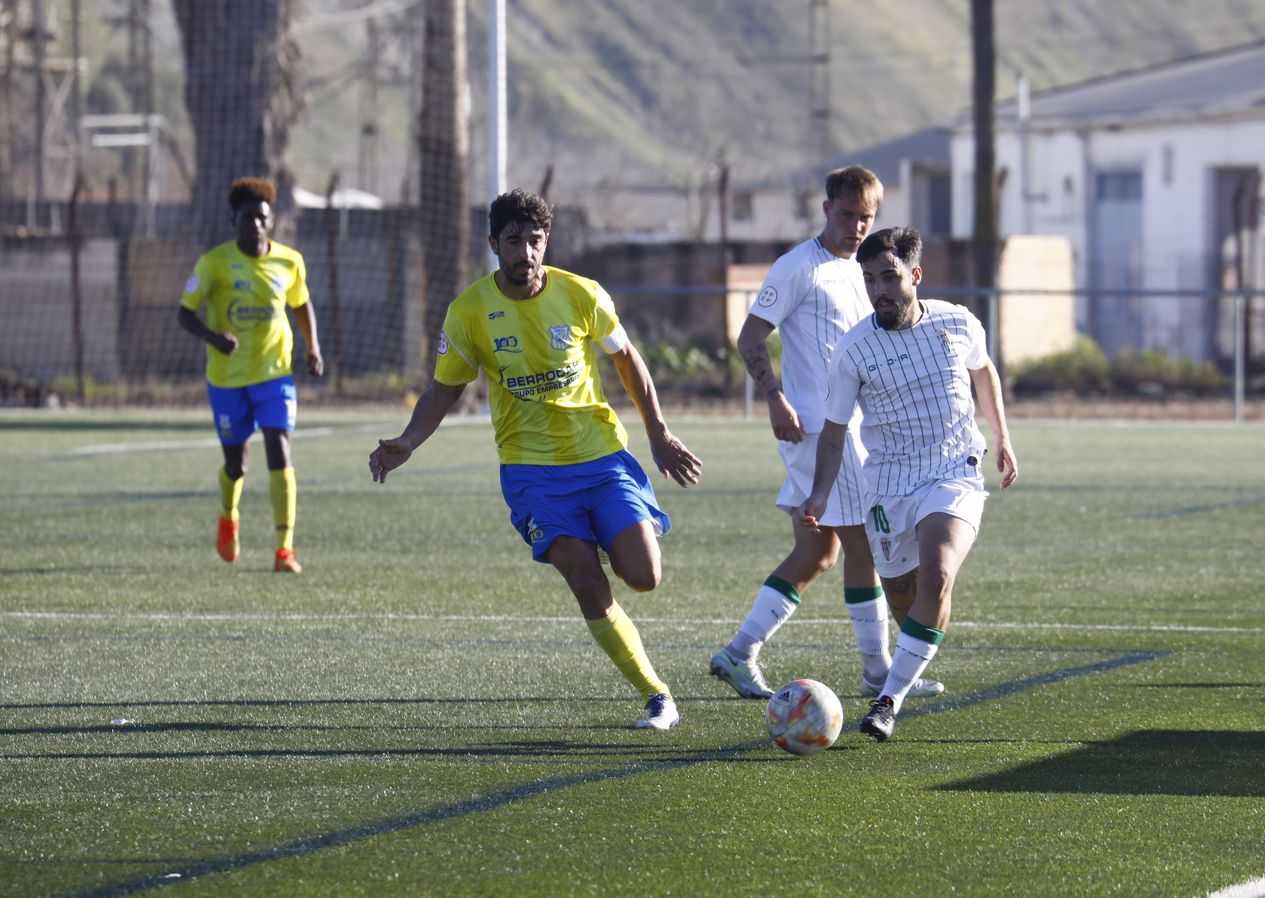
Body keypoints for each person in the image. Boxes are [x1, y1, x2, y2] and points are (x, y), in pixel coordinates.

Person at [367, 189, 702, 730]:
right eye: (514, 241)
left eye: (535, 241)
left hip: (601, 458)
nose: (525, 252)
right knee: (588, 582)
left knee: (643, 576)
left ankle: (600, 532)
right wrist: (409, 439)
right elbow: (443, 390)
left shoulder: (581, 294)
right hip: (531, 473)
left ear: (547, 242)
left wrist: (658, 432)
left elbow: (627, 360)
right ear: (494, 245)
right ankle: (657, 694)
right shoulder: (469, 312)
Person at [708, 165, 942, 702]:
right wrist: (774, 398)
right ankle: (878, 671)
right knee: (864, 543)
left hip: (857, 429)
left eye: (867, 217)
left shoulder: (865, 269)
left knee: (818, 552)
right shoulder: (798, 268)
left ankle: (738, 652)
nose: (858, 226)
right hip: (816, 430)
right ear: (825, 209)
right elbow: (750, 337)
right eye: (848, 215)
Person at [802, 226, 1020, 742]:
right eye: (870, 278)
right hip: (888, 485)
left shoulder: (957, 322)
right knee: (903, 590)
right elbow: (834, 433)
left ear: (915, 275)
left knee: (939, 572)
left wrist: (1002, 437)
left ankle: (887, 701)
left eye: (890, 277)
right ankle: (909, 662)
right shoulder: (854, 350)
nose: (879, 289)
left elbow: (983, 372)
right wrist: (819, 492)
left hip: (954, 472)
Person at [178, 176, 323, 574]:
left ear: (271, 221)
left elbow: (301, 304)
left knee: (280, 449)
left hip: (275, 375)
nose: (255, 225)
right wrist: (212, 337)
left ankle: (284, 549)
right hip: (227, 379)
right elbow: (184, 313)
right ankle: (228, 516)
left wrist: (313, 347)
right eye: (248, 218)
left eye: (262, 218)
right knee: (236, 465)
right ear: (234, 221)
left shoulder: (289, 262)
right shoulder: (214, 264)